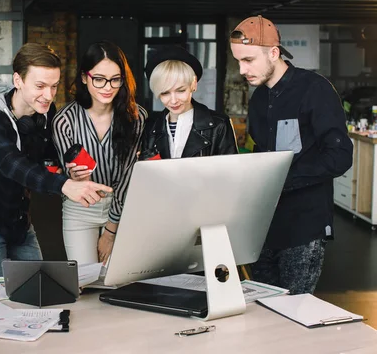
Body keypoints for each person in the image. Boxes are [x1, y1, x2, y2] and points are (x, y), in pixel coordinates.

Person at [0, 43, 113, 278]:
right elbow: (12, 164)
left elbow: (47, 157)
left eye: (54, 86)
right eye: (40, 86)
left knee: (39, 288)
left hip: (20, 221)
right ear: (18, 80)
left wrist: (67, 171)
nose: (49, 96)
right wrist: (65, 185)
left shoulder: (45, 114)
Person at [230, 15, 353, 294]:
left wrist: (281, 181)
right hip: (264, 226)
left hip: (304, 228)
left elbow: (340, 156)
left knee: (295, 312)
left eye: (248, 60)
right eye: (238, 61)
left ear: (273, 53)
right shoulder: (259, 98)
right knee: (262, 309)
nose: (241, 69)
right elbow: (263, 152)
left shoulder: (315, 89)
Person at [52, 41, 147, 266]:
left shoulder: (136, 117)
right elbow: (69, 177)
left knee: (117, 282)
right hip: (81, 208)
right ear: (85, 78)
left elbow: (128, 176)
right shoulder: (64, 120)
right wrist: (73, 177)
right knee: (83, 282)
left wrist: (111, 231)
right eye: (99, 79)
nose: (108, 87)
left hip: (123, 207)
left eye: (115, 79)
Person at [140, 46, 238, 159]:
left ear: (193, 84)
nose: (173, 100)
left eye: (180, 90)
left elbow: (229, 171)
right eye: (165, 93)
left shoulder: (219, 125)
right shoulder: (151, 126)